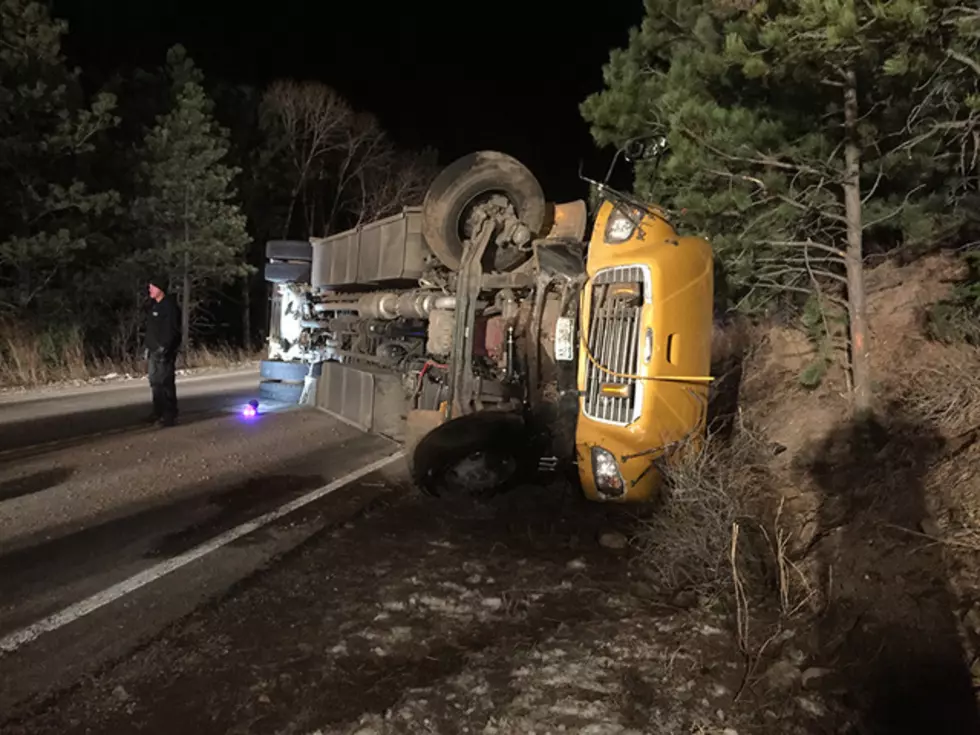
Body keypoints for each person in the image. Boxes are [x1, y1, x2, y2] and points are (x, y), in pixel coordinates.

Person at [145, 275, 182, 426]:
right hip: (153, 350)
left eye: (152, 287)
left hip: (164, 351)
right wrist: (148, 347)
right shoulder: (154, 306)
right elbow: (151, 330)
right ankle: (157, 411)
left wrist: (165, 347)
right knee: (155, 382)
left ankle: (169, 414)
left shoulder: (170, 307)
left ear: (160, 289)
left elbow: (172, 330)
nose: (150, 289)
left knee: (165, 381)